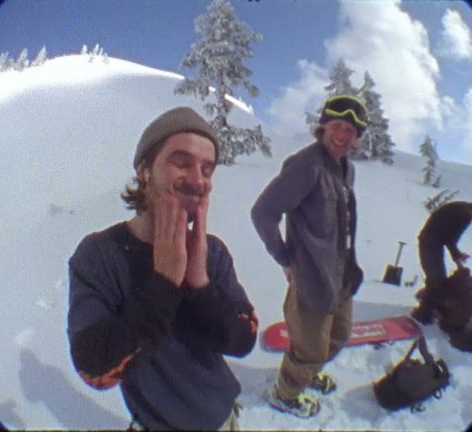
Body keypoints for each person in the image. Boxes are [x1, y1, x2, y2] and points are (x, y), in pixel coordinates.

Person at [66, 107, 258, 431]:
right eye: (181, 163)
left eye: (207, 170)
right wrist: (164, 283)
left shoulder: (212, 253)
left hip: (225, 420)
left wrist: (200, 285)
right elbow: (93, 368)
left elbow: (243, 341)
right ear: (144, 170)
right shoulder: (99, 255)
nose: (198, 180)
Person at [251, 95, 366, 418]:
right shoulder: (307, 165)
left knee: (339, 335)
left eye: (351, 131)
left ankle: (309, 373)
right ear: (323, 127)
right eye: (337, 126)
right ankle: (285, 394)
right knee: (309, 347)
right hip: (313, 278)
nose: (343, 136)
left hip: (340, 275)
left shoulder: (347, 169)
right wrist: (286, 259)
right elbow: (263, 212)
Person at [411, 195, 472, 325]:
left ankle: (430, 309)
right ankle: (422, 316)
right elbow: (450, 239)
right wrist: (458, 260)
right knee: (436, 281)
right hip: (430, 243)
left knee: (438, 279)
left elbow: (449, 237)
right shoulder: (464, 215)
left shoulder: (463, 209)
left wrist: (458, 255)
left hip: (432, 242)